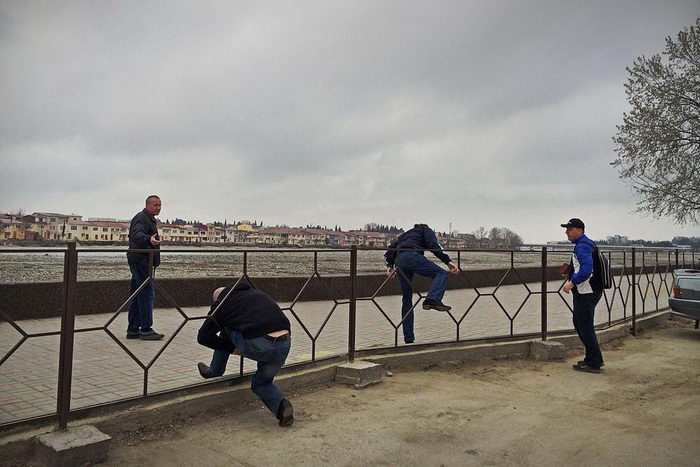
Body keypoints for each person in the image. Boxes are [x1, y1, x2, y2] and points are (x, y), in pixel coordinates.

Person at [197, 283, 294, 427]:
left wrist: (232, 349)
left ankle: (215, 371)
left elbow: (203, 337)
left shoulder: (222, 304)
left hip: (260, 345)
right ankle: (283, 408)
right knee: (261, 382)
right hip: (284, 343)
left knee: (225, 329)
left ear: (217, 299)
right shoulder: (255, 293)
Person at [384, 224, 459, 344]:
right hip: (412, 256)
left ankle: (408, 337)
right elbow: (433, 245)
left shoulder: (404, 235)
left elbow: (390, 250)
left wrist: (389, 266)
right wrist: (448, 261)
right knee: (441, 274)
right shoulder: (425, 229)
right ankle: (432, 299)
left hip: (399, 262)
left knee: (407, 298)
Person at [560, 218, 604, 373]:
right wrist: (570, 271)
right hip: (589, 291)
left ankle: (594, 362)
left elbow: (587, 270)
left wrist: (572, 282)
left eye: (570, 229)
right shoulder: (587, 244)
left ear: (579, 230)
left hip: (586, 292)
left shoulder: (582, 247)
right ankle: (592, 358)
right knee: (580, 323)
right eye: (566, 229)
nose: (567, 232)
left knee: (584, 326)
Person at [126, 195, 164, 340]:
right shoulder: (141, 218)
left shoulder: (148, 218)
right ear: (147, 205)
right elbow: (136, 235)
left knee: (136, 295)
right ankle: (146, 329)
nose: (159, 207)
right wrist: (149, 239)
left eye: (160, 205)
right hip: (141, 260)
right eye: (155, 205)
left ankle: (133, 329)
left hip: (141, 260)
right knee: (146, 294)